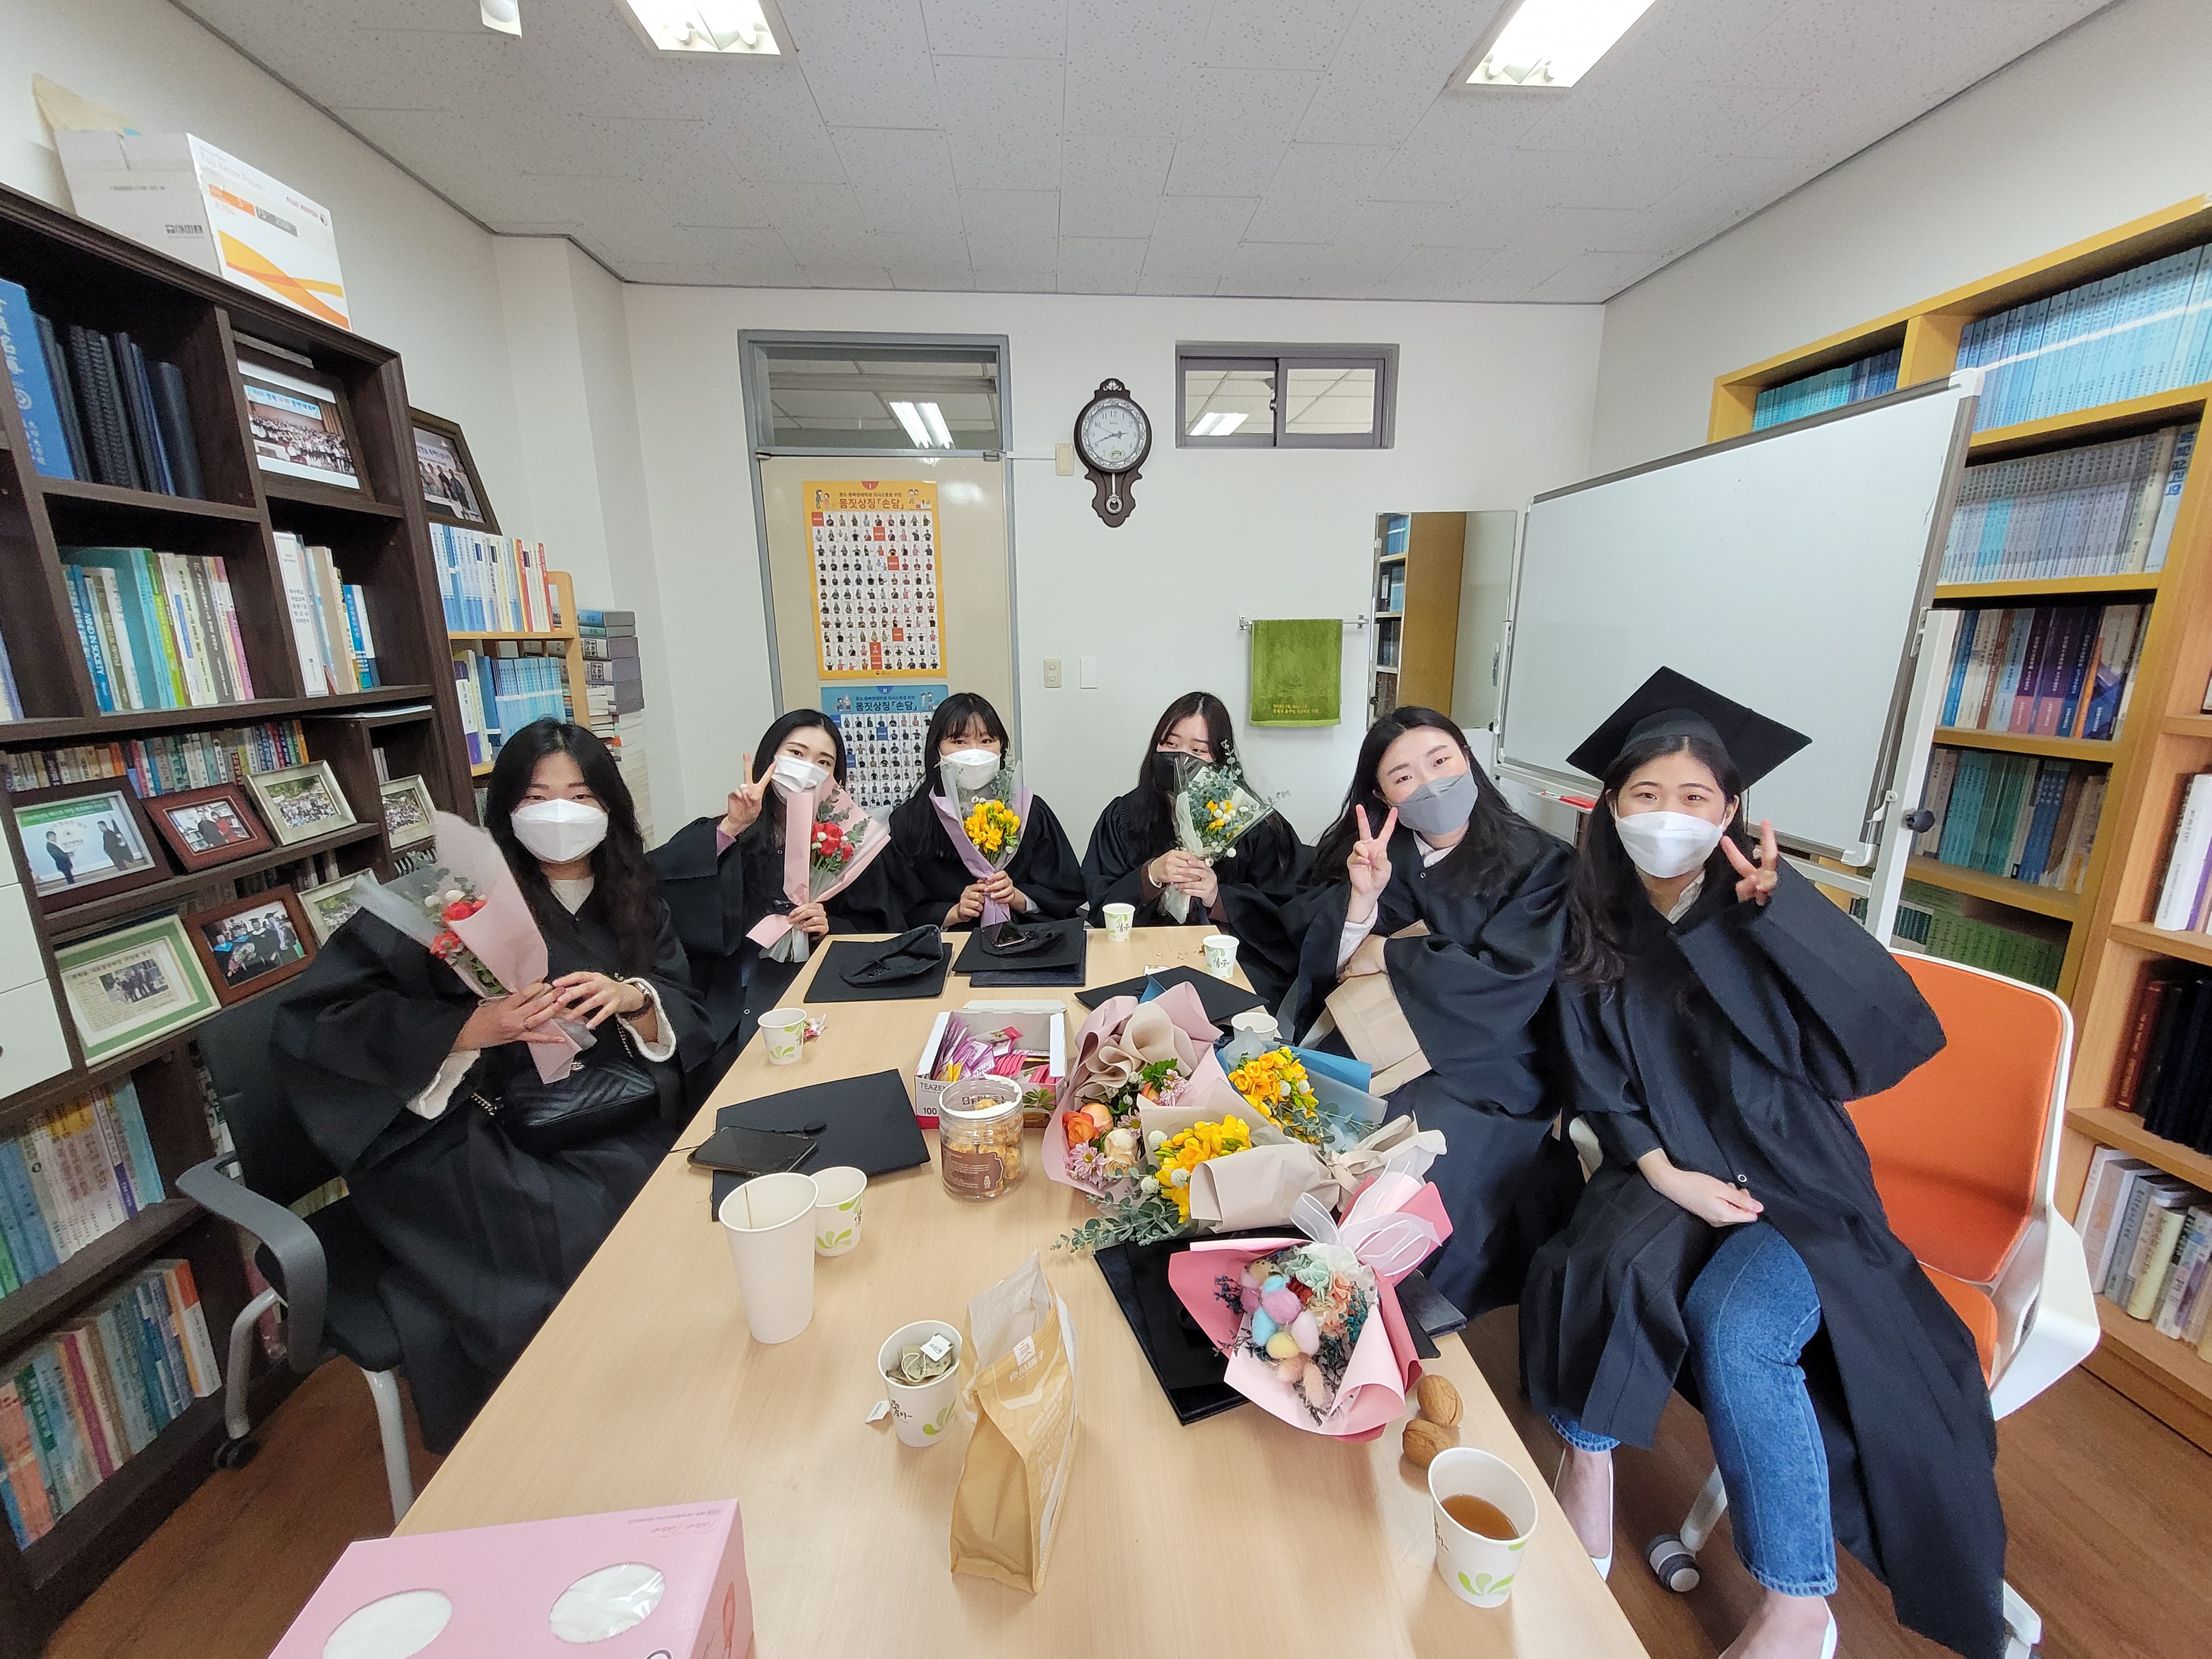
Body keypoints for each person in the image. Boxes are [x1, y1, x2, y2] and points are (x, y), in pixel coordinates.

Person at [1519, 670, 2002, 1659]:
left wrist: (1786, 921)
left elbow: (1881, 1046)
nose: (1669, 815)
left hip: (1799, 1191)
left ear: (1732, 809)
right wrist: (1664, 1173)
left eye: (1695, 796)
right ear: (1611, 808)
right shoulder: (1596, 920)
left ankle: (1797, 1606)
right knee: (1599, 1262)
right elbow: (1596, 1074)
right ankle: (1589, 1464)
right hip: (1671, 1172)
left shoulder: (1765, 910)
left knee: (1738, 1326)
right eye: (1645, 794)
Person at [273, 719, 709, 1454]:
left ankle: (675, 1397)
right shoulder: (449, 900)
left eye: (581, 795)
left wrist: (633, 996)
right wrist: (468, 1029)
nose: (560, 812)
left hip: (603, 1110)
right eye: (537, 796)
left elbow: (680, 994)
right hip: (473, 1127)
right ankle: (564, 1433)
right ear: (505, 808)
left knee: (684, 1204)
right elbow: (322, 1020)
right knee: (577, 1236)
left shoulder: (633, 892)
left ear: (609, 807)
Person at [1279, 707, 1581, 1317]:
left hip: (1487, 1064)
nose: (1430, 784)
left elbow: (1509, 980)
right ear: (1380, 795)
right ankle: (1287, 1290)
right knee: (1289, 1115)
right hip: (1372, 1042)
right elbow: (1327, 962)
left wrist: (1393, 954)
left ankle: (1384, 1315)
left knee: (1409, 1165)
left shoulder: (1542, 863)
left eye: (1440, 761)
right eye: (1404, 776)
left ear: (1467, 761)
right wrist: (1362, 905)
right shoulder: (1375, 855)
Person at [650, 711, 910, 1095]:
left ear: (837, 779)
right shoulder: (731, 829)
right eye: (797, 753)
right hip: (737, 989)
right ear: (770, 758)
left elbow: (883, 927)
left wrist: (829, 927)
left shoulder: (847, 843)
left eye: (824, 762)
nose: (808, 768)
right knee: (728, 1076)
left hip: (819, 986)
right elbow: (663, 885)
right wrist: (731, 828)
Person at [1081, 691, 1300, 1001]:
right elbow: (1100, 904)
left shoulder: (1252, 823)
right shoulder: (1124, 815)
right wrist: (1150, 876)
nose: (1181, 758)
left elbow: (1287, 914)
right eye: (1170, 745)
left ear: (1221, 759)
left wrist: (1218, 898)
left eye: (1198, 750)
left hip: (1228, 962)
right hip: (1139, 957)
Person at [888, 692, 1084, 929]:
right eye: (959, 742)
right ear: (936, 749)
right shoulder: (910, 822)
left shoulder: (1029, 812)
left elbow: (1065, 891)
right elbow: (897, 908)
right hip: (949, 942)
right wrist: (953, 912)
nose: (974, 752)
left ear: (1001, 749)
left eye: (986, 740)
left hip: (1025, 938)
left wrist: (1018, 898)